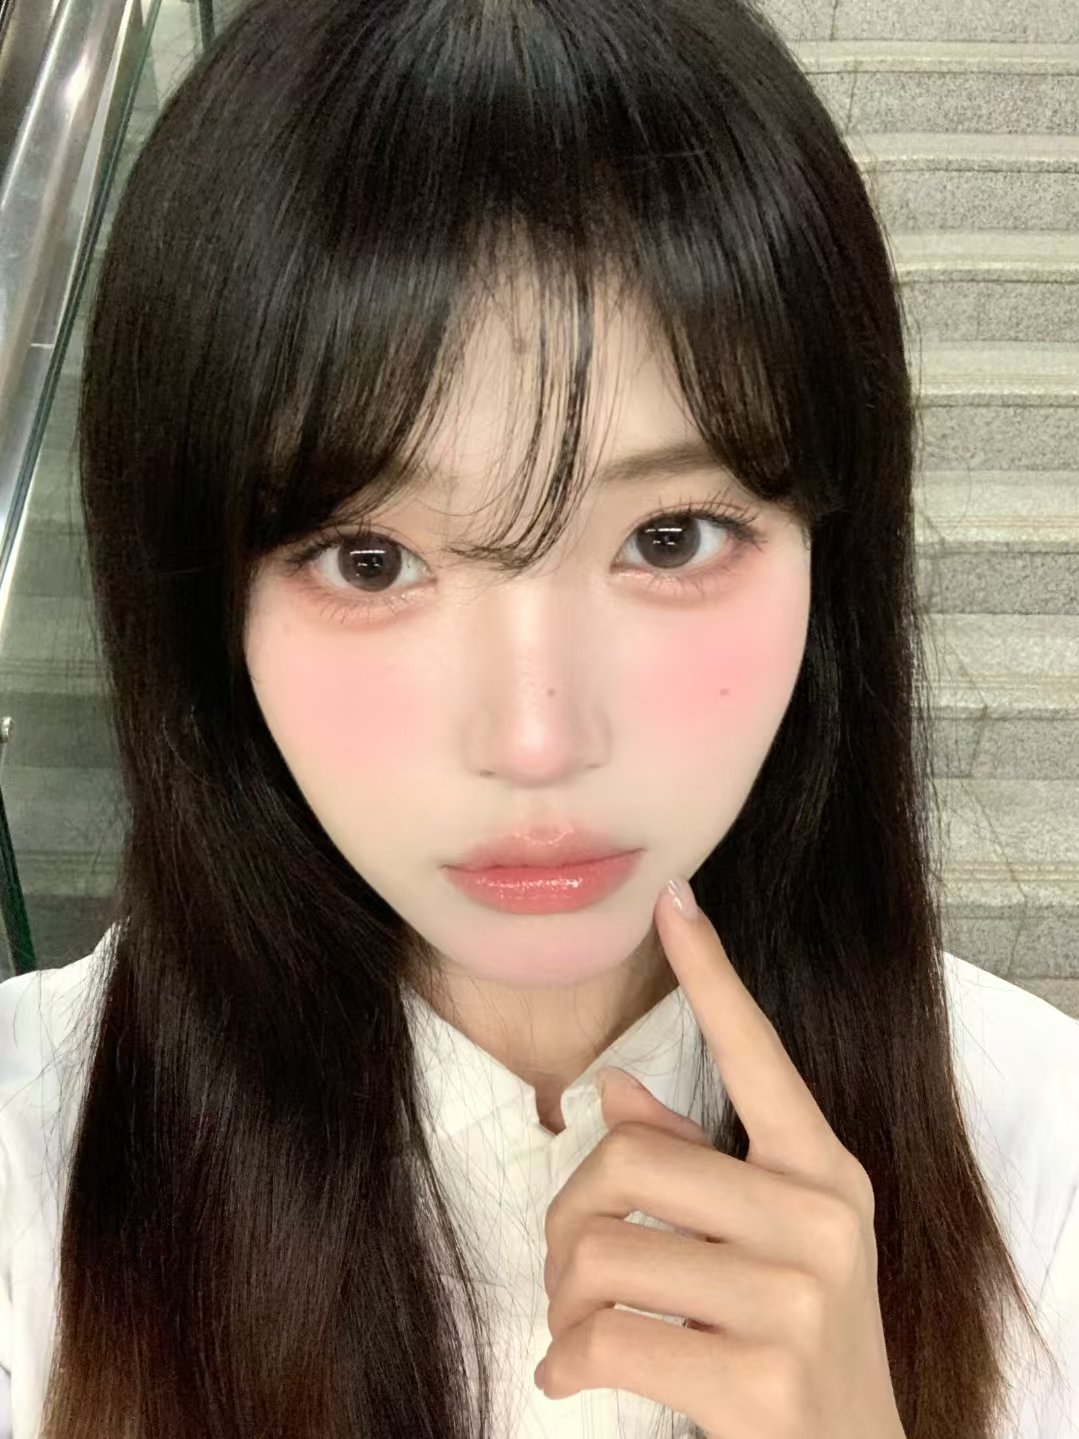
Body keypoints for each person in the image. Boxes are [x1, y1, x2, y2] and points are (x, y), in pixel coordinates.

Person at [1, 0, 1077, 1434]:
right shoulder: (30, 1158)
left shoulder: (1043, 1154)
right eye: (370, 560)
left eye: (671, 538)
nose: (537, 741)